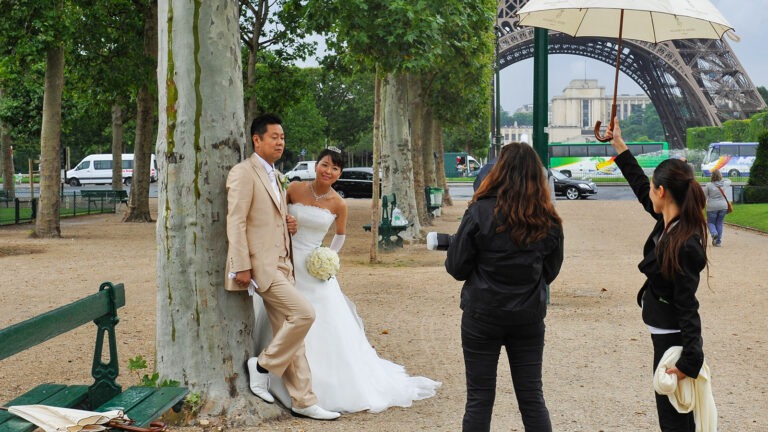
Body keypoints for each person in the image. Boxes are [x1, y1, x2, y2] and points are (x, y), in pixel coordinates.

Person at [255, 147, 441, 413]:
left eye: (335, 168)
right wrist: (287, 223)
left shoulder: (338, 203)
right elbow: (276, 215)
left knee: (321, 323)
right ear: (316, 165)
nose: (328, 171)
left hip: (313, 267)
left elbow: (340, 236)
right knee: (282, 315)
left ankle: (316, 386)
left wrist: (327, 257)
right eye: (325, 165)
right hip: (286, 260)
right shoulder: (294, 189)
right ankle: (271, 372)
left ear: (339, 173)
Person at [225, 114, 340, 421]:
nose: (280, 142)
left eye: (283, 137)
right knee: (305, 314)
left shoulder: (276, 175)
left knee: (294, 335)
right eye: (274, 137)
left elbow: (269, 215)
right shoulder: (243, 172)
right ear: (257, 140)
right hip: (262, 267)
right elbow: (235, 221)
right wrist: (241, 265)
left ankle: (303, 400)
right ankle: (262, 365)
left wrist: (287, 223)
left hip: (284, 263)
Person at [445, 142, 564, 431]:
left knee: (479, 399)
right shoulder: (548, 218)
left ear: (499, 171)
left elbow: (457, 267)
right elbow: (550, 270)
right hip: (527, 315)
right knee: (532, 397)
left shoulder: (479, 211)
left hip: (482, 313)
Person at [606, 118, 710, 430]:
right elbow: (640, 186)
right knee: (673, 416)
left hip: (673, 344)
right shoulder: (669, 222)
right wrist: (619, 146)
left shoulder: (683, 243)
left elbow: (687, 305)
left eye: (653, 187)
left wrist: (689, 362)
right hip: (664, 336)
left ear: (662, 191)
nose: (648, 191)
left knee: (675, 420)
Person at [705, 169, 729, 247]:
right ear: (720, 176)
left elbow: (704, 196)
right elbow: (729, 180)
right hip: (723, 206)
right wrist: (721, 179)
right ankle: (718, 242)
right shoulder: (724, 184)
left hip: (712, 206)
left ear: (712, 176)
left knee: (710, 222)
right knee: (719, 223)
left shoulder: (708, 185)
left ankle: (714, 233)